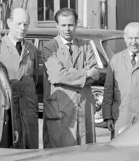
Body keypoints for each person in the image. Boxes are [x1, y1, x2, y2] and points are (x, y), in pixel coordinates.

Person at [41, 8, 102, 149]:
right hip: (61, 108)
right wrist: (85, 74)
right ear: (57, 26)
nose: (67, 29)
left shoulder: (86, 45)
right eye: (63, 25)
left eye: (70, 25)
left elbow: (96, 73)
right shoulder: (49, 47)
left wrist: (68, 76)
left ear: (76, 24)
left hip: (84, 106)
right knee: (60, 154)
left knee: (86, 153)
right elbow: (57, 75)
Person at [0, 7, 39, 149]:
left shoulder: (32, 49)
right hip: (8, 112)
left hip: (28, 110)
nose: (23, 28)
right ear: (9, 22)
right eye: (19, 24)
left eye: (26, 24)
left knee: (30, 152)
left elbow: (34, 79)